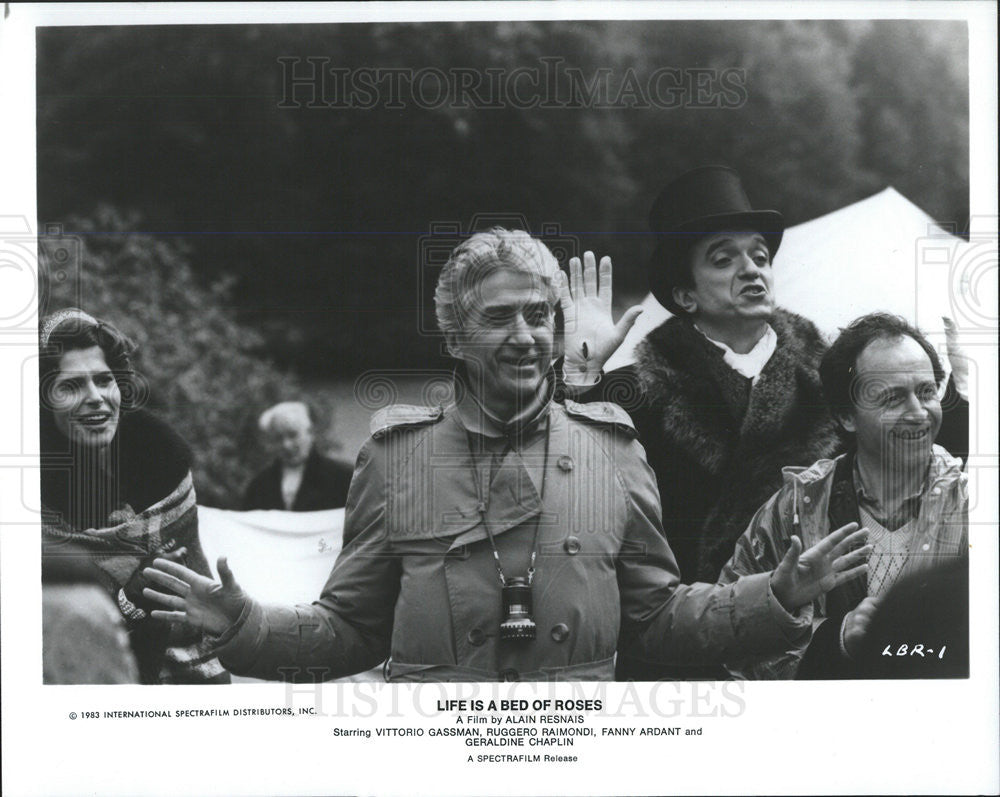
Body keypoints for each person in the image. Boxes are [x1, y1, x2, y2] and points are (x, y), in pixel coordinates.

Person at [143, 229, 870, 683]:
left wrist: (774, 597)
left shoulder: (613, 449)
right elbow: (350, 631)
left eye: (538, 315)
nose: (525, 335)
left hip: (576, 753)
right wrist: (245, 624)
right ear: (456, 339)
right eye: (498, 318)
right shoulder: (396, 457)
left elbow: (657, 620)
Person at [558, 165, 969, 680]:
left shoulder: (830, 380)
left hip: (813, 647)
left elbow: (913, 457)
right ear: (685, 295)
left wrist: (960, 395)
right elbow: (563, 485)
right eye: (723, 258)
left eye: (760, 255)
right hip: (681, 655)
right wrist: (579, 376)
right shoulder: (637, 394)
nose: (752, 269)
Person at [717, 313, 968, 679]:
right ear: (846, 416)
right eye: (893, 398)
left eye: (926, 392)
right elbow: (730, 631)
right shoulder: (793, 510)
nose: (918, 413)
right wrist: (836, 639)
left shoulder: (975, 505)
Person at [39, 308, 229, 684]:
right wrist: (130, 601)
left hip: (193, 676)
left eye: (103, 380)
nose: (95, 398)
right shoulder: (28, 498)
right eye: (71, 386)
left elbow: (200, 612)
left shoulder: (164, 467)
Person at [242, 401, 354, 511]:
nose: (286, 445)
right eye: (278, 438)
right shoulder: (260, 486)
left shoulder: (343, 478)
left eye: (293, 435)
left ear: (310, 433)